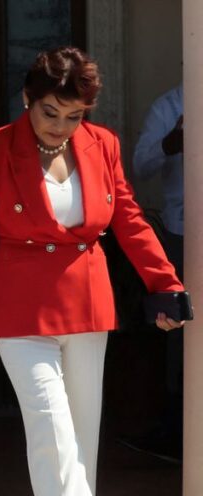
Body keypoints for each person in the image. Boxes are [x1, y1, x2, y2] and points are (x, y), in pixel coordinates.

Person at [0, 47, 186, 496]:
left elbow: (126, 215)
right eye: (50, 111)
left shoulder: (101, 144)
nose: (60, 125)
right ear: (27, 100)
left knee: (82, 448)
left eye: (73, 115)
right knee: (52, 440)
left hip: (88, 304)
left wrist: (164, 282)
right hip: (20, 311)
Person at [123, 83, 185, 461]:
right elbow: (140, 166)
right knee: (181, 332)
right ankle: (176, 430)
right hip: (184, 231)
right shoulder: (169, 106)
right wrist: (170, 144)